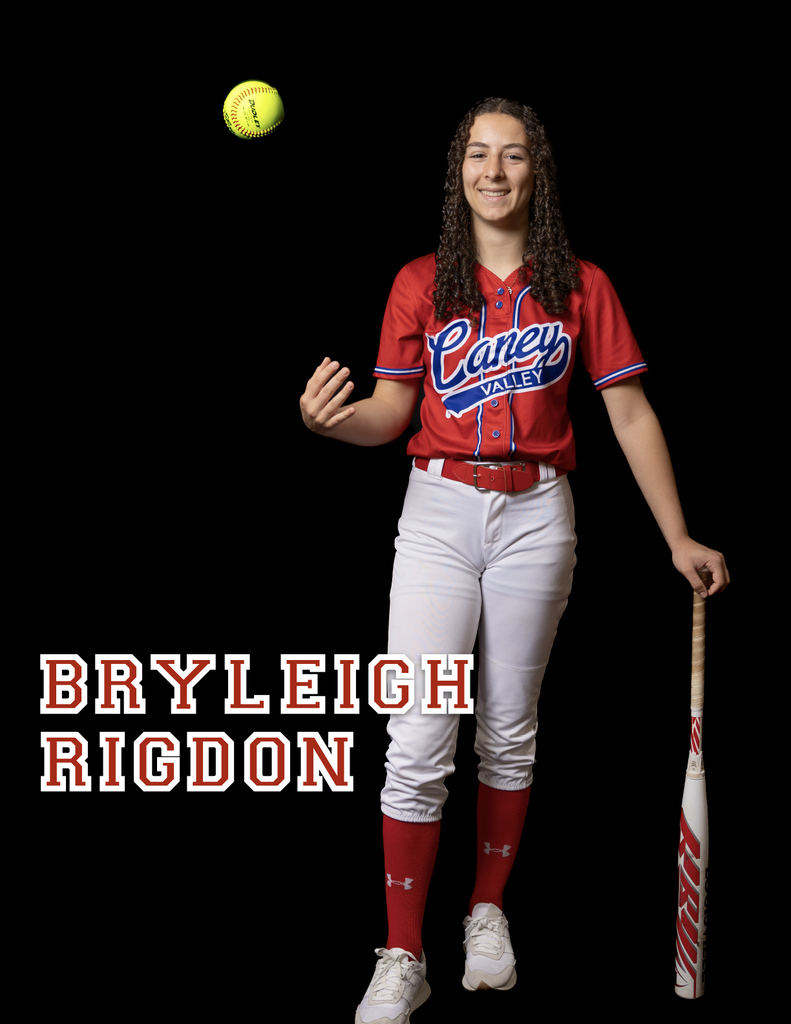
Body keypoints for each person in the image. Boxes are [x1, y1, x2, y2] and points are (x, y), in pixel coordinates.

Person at [299, 96, 729, 1023]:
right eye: (477, 156)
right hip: (441, 510)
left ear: (539, 173)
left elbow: (629, 413)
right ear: (457, 175)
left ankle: (485, 915)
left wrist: (677, 536)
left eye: (514, 156)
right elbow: (390, 412)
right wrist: (332, 425)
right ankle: (401, 954)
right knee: (418, 736)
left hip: (538, 513)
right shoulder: (420, 282)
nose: (494, 171)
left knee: (506, 725)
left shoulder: (581, 285)